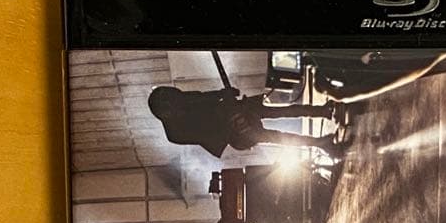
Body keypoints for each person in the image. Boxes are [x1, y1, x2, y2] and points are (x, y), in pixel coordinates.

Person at [147, 86, 344, 160]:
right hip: (234, 133)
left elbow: (202, 97)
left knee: (279, 110)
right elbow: (207, 133)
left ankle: (323, 111)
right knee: (277, 137)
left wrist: (224, 94)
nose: (180, 99)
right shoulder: (176, 133)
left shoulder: (180, 99)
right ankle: (321, 143)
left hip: (233, 111)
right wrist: (232, 121)